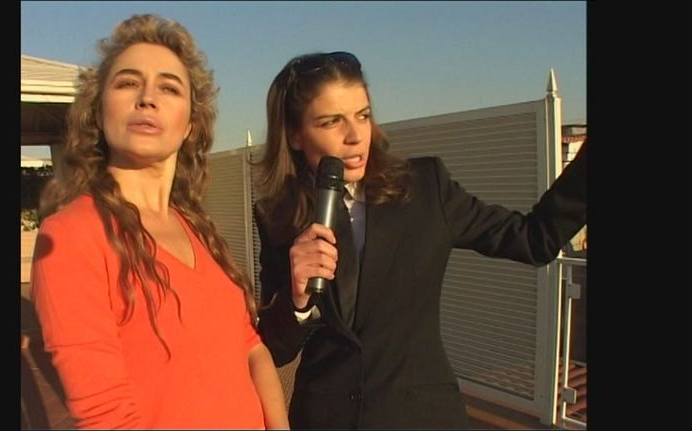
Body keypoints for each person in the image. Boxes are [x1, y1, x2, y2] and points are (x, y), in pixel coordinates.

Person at [254, 51, 586, 429]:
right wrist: (296, 300)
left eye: (362, 115)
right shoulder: (278, 216)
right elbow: (274, 349)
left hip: (421, 416)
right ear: (295, 135)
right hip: (325, 419)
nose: (355, 136)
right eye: (331, 121)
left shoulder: (424, 187)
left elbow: (534, 239)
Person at [31, 14, 288, 429]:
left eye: (169, 87)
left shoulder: (199, 230)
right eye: (127, 83)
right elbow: (106, 417)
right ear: (98, 112)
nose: (147, 97)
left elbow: (251, 348)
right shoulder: (72, 236)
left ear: (189, 125)